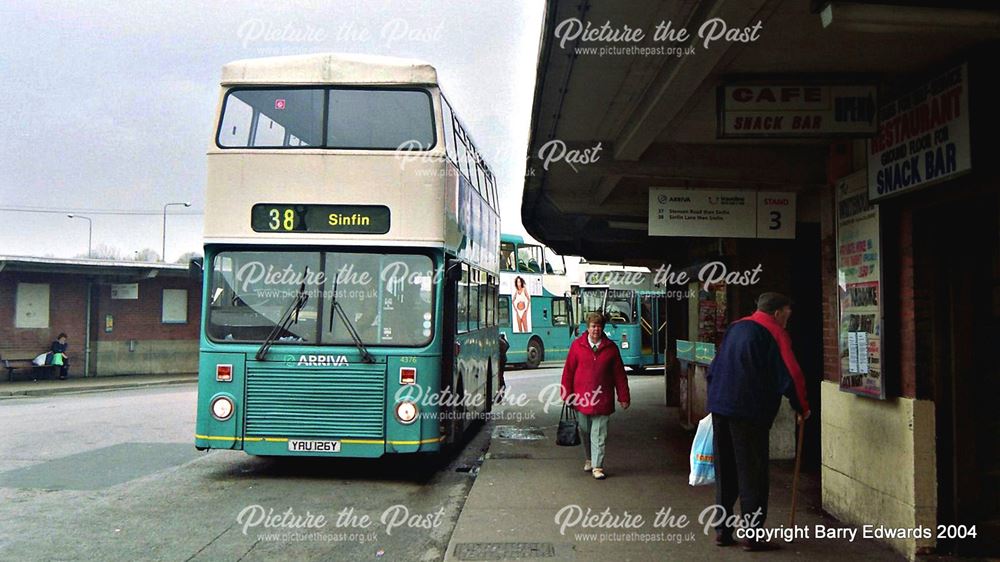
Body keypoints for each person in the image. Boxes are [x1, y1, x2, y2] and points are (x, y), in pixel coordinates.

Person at [706, 292, 810, 551]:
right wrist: (803, 407)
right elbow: (792, 374)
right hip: (749, 414)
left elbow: (713, 369)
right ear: (778, 313)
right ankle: (752, 535)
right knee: (752, 473)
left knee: (726, 471)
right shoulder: (773, 332)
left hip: (720, 408)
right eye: (787, 313)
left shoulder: (735, 327)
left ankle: (723, 530)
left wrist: (717, 398)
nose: (788, 319)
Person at [560, 312, 631, 480]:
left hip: (603, 398)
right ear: (588, 327)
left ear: (603, 328)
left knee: (599, 433)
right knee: (585, 430)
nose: (596, 330)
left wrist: (624, 396)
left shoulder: (611, 348)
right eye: (593, 326)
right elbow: (568, 371)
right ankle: (590, 458)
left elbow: (619, 374)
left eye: (599, 326)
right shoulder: (577, 346)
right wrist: (566, 394)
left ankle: (598, 466)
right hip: (582, 399)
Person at [496, 332, 510, 403]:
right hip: (502, 360)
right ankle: (500, 394)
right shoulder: (502, 341)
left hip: (500, 360)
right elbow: (507, 346)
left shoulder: (499, 341)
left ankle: (499, 395)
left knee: (499, 377)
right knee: (500, 376)